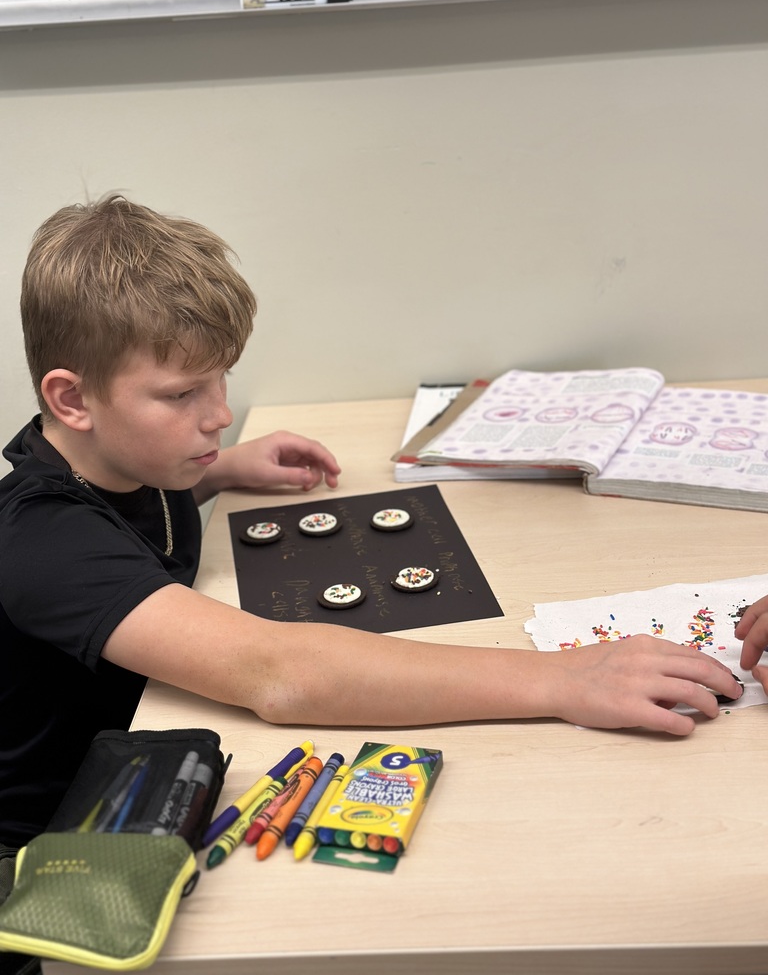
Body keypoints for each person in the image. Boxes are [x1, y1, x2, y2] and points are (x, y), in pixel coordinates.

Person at [0, 194, 742, 850]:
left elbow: (122, 514)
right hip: (50, 843)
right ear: (72, 401)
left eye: (221, 379)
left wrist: (217, 469)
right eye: (182, 394)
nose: (220, 414)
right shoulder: (39, 540)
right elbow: (281, 675)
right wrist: (559, 679)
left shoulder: (118, 466)